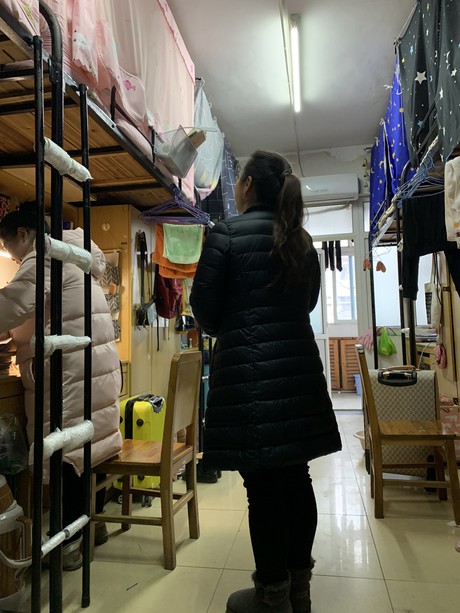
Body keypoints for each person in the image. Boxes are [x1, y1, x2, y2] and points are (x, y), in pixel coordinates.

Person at [190, 150, 342, 613]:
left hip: (248, 379)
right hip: (298, 372)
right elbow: (308, 303)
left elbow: (204, 310)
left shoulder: (225, 234)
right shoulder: (301, 240)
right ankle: (299, 590)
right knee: (297, 477)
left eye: (238, 181)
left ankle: (272, 595)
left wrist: (236, 324)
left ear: (249, 184)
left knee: (263, 488)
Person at [0, 202, 122, 570]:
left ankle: (70, 544)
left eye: (8, 246)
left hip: (69, 374)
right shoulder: (76, 253)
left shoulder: (44, 257)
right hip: (94, 371)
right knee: (84, 452)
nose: (11, 255)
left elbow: (13, 305)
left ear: (23, 234)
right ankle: (90, 526)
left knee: (66, 456)